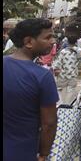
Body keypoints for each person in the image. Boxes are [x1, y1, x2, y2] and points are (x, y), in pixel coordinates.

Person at [3, 19, 59, 160]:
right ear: (28, 42)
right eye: (47, 37)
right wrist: (44, 154)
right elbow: (49, 123)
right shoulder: (43, 76)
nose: (53, 41)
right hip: (22, 151)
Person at [53, 35, 81, 104]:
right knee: (71, 91)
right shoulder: (79, 51)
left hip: (63, 75)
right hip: (73, 74)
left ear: (67, 41)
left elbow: (57, 63)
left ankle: (63, 106)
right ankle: (68, 105)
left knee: (62, 91)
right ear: (76, 42)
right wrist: (76, 66)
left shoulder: (63, 51)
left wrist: (56, 69)